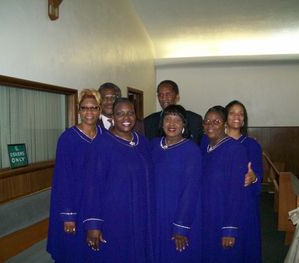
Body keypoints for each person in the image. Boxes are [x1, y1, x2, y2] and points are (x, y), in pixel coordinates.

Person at [82, 98, 153, 262]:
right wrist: (93, 224)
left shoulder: (142, 142)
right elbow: (92, 186)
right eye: (120, 114)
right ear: (112, 117)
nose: (126, 118)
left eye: (130, 113)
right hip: (114, 215)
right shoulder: (101, 144)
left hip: (142, 213)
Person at [47, 89, 104, 262]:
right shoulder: (68, 138)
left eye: (94, 108)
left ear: (100, 110)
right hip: (74, 201)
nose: (89, 112)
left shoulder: (105, 137)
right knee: (73, 250)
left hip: (98, 201)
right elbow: (62, 179)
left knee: (96, 249)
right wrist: (68, 216)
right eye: (84, 108)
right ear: (79, 110)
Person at [151, 104, 201, 263]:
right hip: (155, 213)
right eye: (167, 119)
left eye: (177, 120)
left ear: (184, 125)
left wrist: (181, 225)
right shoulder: (153, 145)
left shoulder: (191, 150)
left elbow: (190, 191)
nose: (171, 124)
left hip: (178, 213)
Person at [201, 105, 248, 262]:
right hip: (207, 213)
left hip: (224, 215)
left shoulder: (235, 150)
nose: (210, 125)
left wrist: (230, 229)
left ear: (225, 124)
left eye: (216, 121)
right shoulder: (205, 148)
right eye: (207, 121)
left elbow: (236, 193)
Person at [225, 100, 263, 263]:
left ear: (244, 120)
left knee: (243, 241)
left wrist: (253, 177)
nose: (237, 116)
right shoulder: (213, 141)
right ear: (225, 117)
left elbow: (259, 174)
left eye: (241, 114)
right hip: (221, 199)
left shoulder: (251, 144)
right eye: (232, 112)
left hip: (244, 199)